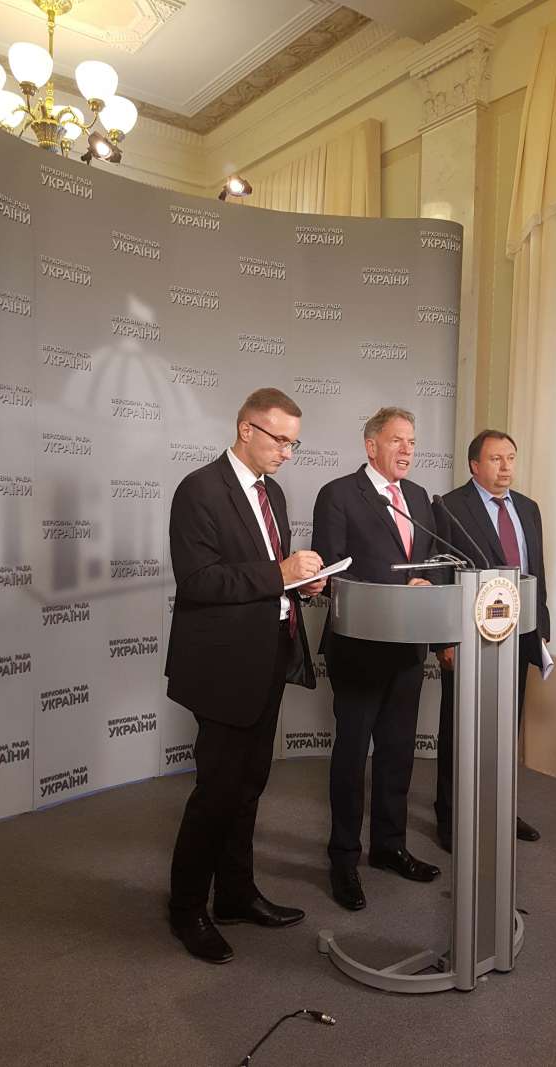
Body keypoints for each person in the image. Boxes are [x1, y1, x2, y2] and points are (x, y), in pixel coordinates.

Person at [165, 387, 326, 963]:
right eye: (280, 439)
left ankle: (234, 894)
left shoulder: (273, 492)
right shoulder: (199, 489)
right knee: (216, 793)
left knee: (250, 785)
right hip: (220, 668)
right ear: (246, 430)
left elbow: (268, 578)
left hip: (268, 659)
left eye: (294, 443)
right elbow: (198, 581)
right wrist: (279, 572)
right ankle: (187, 909)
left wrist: (300, 582)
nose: (287, 452)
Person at [312, 407, 442, 911]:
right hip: (359, 647)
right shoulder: (339, 494)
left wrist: (428, 582)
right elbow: (333, 570)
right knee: (352, 754)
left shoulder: (420, 498)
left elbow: (430, 563)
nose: (407, 450)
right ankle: (344, 858)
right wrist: (396, 590)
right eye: (397, 440)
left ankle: (389, 846)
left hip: (408, 647)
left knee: (398, 751)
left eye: (412, 441)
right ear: (371, 446)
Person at [433, 429, 550, 850]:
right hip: (468, 636)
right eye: (496, 459)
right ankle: (450, 816)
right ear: (475, 465)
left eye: (511, 458)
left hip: (518, 632)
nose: (506, 467)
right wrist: (443, 640)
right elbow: (440, 574)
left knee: (506, 728)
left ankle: (501, 809)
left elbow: (536, 570)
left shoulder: (528, 508)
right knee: (458, 728)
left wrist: (541, 630)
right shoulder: (448, 506)